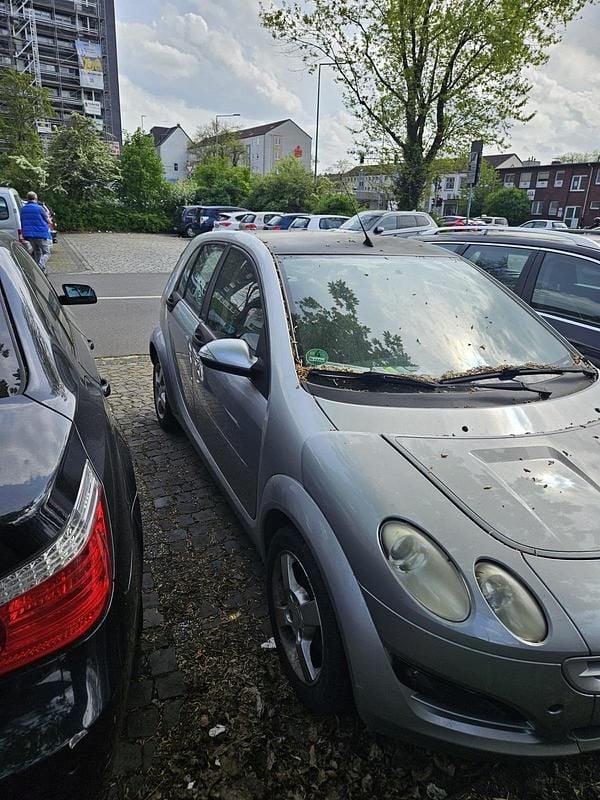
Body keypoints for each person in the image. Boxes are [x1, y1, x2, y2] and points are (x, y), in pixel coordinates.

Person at [20, 191, 51, 273]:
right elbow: (48, 220)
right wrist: (49, 220)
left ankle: (39, 271)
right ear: (35, 198)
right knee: (46, 253)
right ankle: (40, 266)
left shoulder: (23, 209)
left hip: (29, 235)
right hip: (40, 234)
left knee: (37, 252)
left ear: (27, 198)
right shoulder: (39, 208)